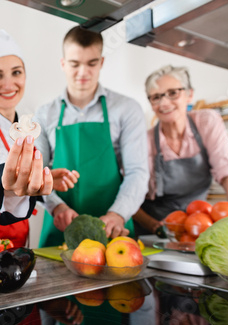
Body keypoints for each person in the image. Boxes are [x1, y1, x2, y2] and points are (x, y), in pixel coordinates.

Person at [0, 29, 76, 258]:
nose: (9, 83)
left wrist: (44, 179)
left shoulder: (25, 125)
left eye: (16, 72)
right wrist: (12, 178)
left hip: (18, 241)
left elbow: (23, 181)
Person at [35, 26, 149, 247]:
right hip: (60, 231)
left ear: (102, 62)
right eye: (75, 64)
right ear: (63, 64)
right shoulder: (44, 113)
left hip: (113, 232)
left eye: (92, 63)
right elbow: (38, 176)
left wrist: (118, 213)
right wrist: (56, 207)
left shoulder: (127, 109)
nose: (82, 72)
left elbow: (138, 172)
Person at [133, 65, 228, 235]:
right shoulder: (145, 141)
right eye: (156, 97)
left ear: (190, 94)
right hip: (152, 230)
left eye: (173, 93)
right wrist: (155, 227)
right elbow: (130, 193)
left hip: (197, 226)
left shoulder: (207, 122)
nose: (164, 103)